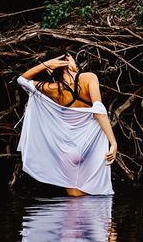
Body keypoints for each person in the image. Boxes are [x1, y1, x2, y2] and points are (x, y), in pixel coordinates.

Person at [16, 50, 117, 197]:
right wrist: (113, 142)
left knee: (74, 198)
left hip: (68, 149)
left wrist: (45, 65)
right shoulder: (88, 78)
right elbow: (98, 111)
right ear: (68, 59)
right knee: (94, 194)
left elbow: (21, 80)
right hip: (92, 145)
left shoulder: (54, 88)